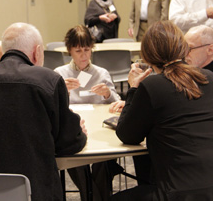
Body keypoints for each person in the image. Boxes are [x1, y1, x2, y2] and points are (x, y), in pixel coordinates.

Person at [0, 22, 87, 201]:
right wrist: (80, 132)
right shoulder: (49, 80)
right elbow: (67, 144)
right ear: (37, 51)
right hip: (32, 190)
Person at [112, 21, 213, 200]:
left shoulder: (153, 86)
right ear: (183, 48)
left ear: (148, 56)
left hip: (178, 191)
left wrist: (134, 89)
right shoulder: (208, 77)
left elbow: (127, 135)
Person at [54, 25, 121, 201]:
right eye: (78, 51)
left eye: (87, 49)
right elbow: (53, 110)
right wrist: (63, 93)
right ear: (70, 51)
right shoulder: (60, 74)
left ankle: (92, 197)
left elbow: (117, 104)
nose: (83, 55)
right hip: (75, 129)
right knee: (74, 156)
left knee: (104, 160)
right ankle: (91, 196)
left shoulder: (101, 73)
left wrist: (108, 93)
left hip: (100, 129)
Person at [109, 24, 213, 113]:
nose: (184, 54)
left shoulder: (208, 77)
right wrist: (137, 105)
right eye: (183, 48)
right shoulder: (187, 71)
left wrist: (134, 96)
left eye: (189, 48)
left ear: (210, 49)